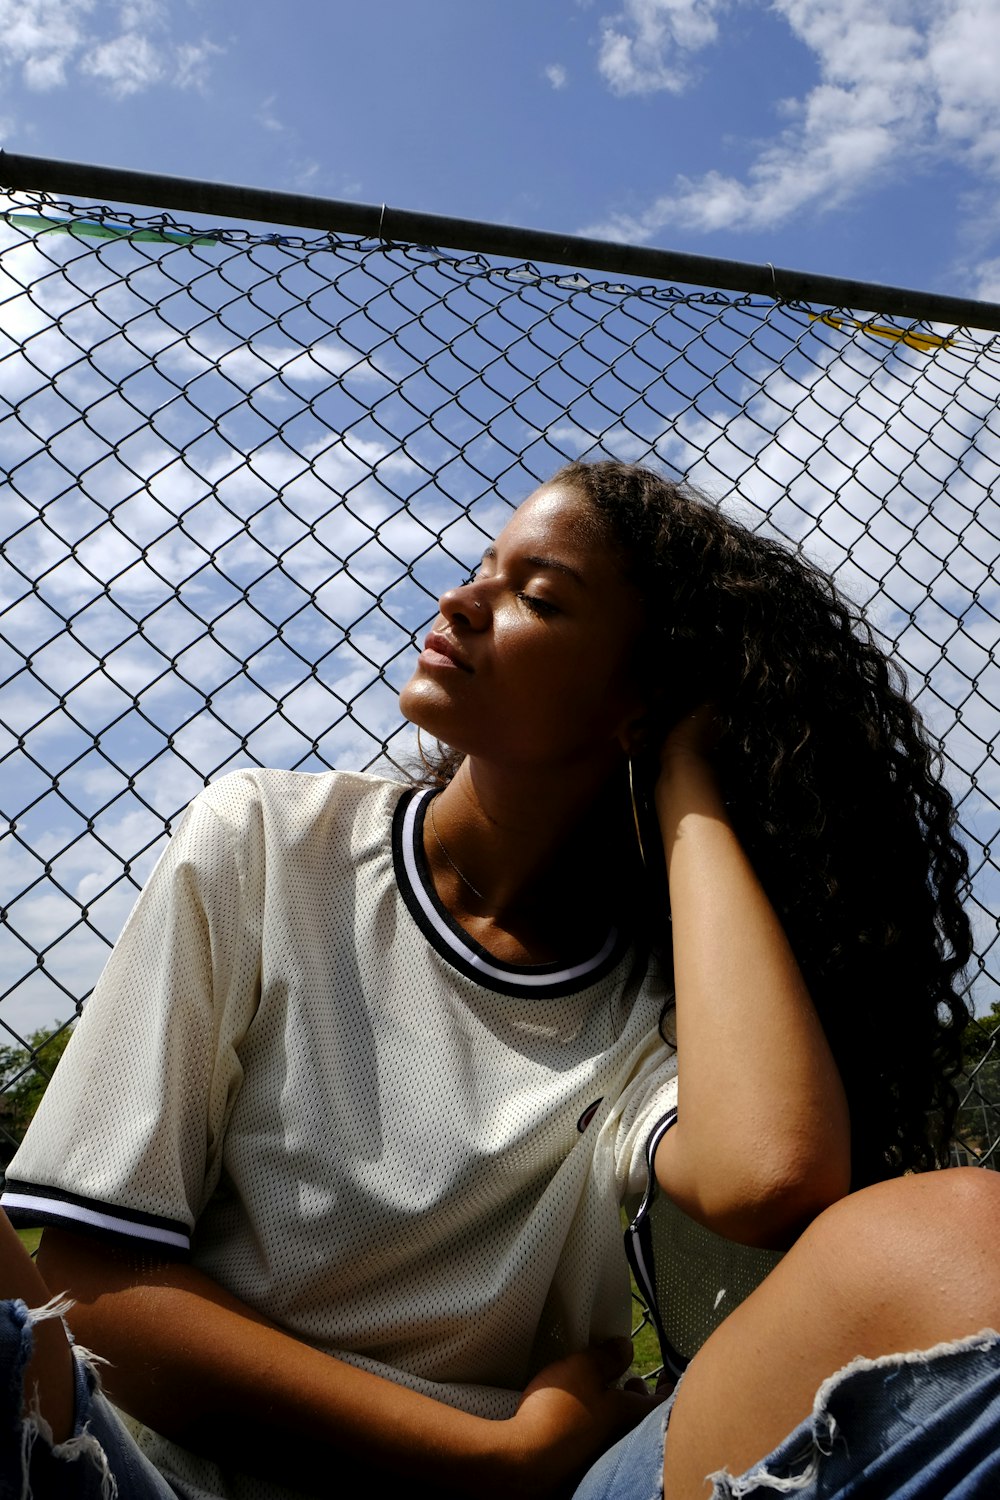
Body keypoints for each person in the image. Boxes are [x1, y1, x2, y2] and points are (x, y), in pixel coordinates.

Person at [1, 460, 995, 1500]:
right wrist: (484, 1457)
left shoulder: (656, 1007)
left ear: (637, 704)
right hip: (174, 1481)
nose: (459, 598)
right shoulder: (267, 841)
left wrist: (684, 782)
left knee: (966, 1228)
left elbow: (771, 1170)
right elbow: (90, 1285)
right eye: (485, 564)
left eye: (536, 596)